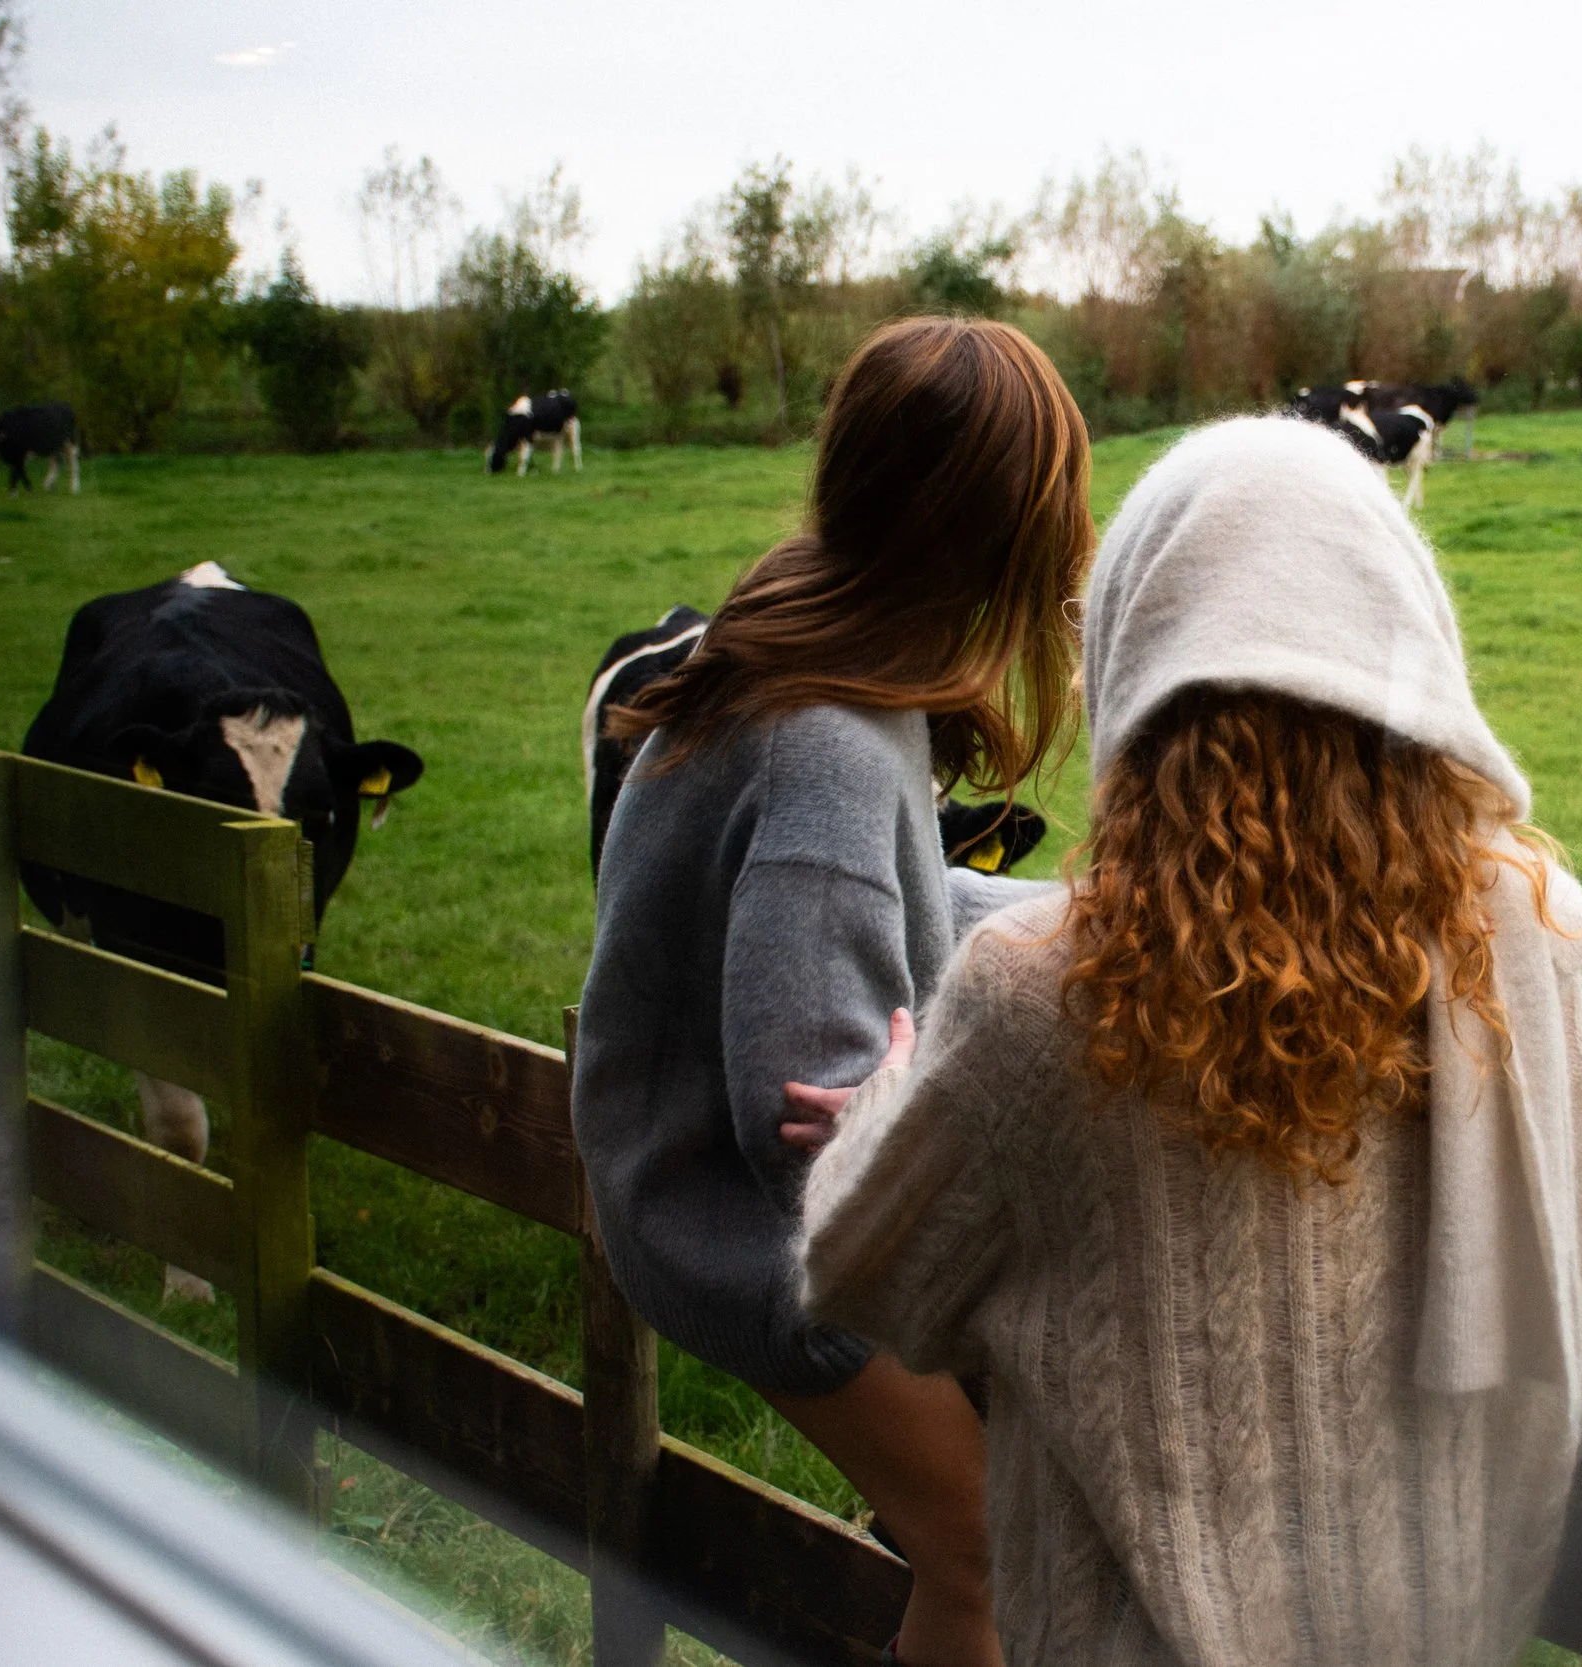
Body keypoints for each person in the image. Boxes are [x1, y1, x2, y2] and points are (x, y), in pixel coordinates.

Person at [787, 416, 1582, 1666]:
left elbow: (861, 1266)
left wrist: (900, 1083)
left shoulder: (1042, 996)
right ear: (1406, 642)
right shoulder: (1517, 948)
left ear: (1133, 646)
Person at [574, 316, 1093, 1667]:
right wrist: (944, 1090)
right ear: (1003, 536)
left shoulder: (796, 632)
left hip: (664, 1158)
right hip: (738, 1225)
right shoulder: (835, 745)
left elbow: (889, 890)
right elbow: (797, 1102)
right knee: (986, 1545)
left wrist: (1081, 924)